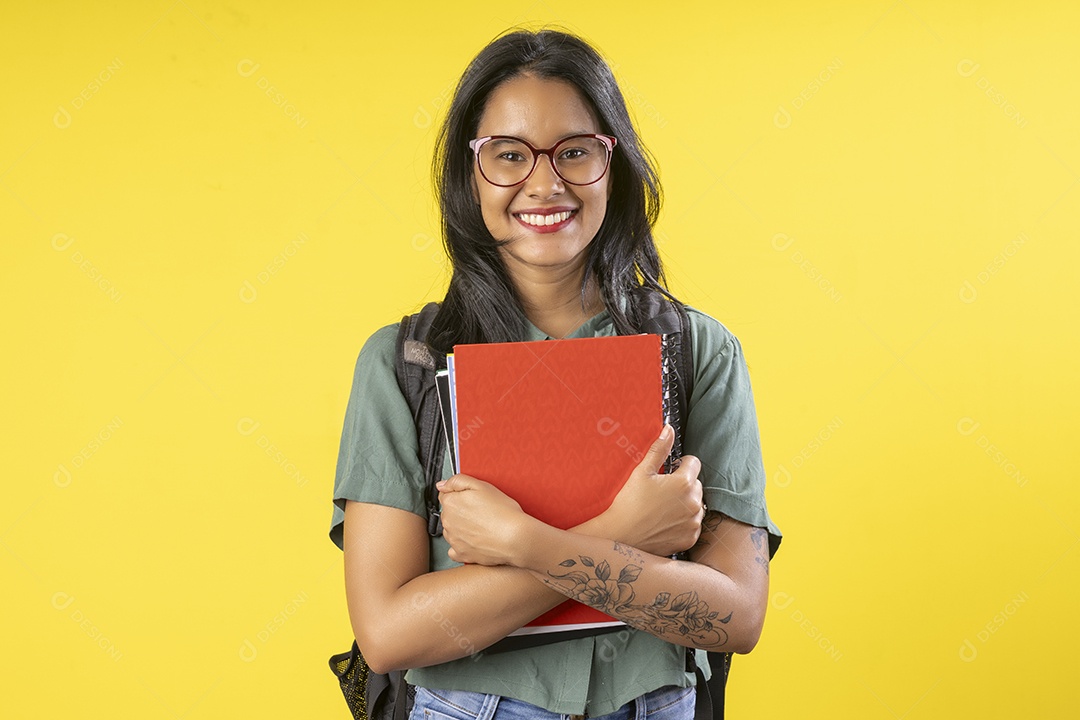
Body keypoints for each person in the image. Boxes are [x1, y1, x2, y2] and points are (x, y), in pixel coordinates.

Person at [329, 27, 781, 720]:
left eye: (575, 151)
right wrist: (624, 530)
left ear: (616, 163)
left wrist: (521, 542)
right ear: (469, 173)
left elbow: (736, 616)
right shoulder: (405, 365)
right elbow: (389, 635)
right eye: (508, 155)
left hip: (652, 704)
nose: (544, 182)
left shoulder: (698, 352)